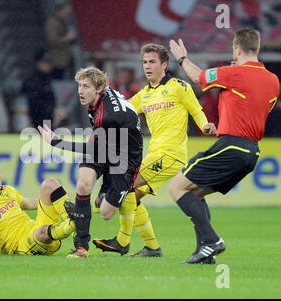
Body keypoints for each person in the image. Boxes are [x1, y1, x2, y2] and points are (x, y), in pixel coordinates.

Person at [92, 43, 217, 259]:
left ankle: (122, 240)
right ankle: (151, 247)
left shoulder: (179, 87)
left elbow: (197, 110)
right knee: (131, 195)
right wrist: (106, 90)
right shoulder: (144, 95)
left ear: (164, 64)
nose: (147, 67)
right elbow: (121, 110)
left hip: (171, 155)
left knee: (123, 185)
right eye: (144, 62)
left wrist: (205, 125)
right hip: (154, 155)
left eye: (152, 62)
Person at [168, 29, 280, 263]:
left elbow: (197, 76)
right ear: (256, 49)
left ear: (237, 49)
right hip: (251, 151)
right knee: (195, 193)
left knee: (176, 188)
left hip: (231, 146)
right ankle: (205, 254)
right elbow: (252, 110)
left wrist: (181, 58)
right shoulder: (273, 80)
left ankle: (212, 241)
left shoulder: (233, 73)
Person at [39, 66, 143, 258]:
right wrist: (99, 77)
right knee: (83, 184)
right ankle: (81, 247)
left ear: (98, 89)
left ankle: (102, 194)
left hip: (125, 158)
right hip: (103, 141)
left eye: (86, 86)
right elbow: (103, 79)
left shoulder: (109, 115)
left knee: (105, 213)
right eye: (79, 85)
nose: (80, 90)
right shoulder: (101, 93)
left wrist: (56, 141)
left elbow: (91, 150)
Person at [0, 157, 75, 256]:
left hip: (42, 234)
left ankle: (72, 221)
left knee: (49, 183)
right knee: (43, 231)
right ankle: (74, 224)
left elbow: (27, 203)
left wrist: (54, 198)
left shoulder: (8, 190)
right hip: (23, 245)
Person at [44, 0, 77, 79]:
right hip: (57, 60)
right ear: (62, 10)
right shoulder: (52, 23)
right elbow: (52, 40)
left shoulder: (61, 22)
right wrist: (68, 38)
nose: (68, 15)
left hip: (64, 59)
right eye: (67, 12)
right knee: (59, 81)